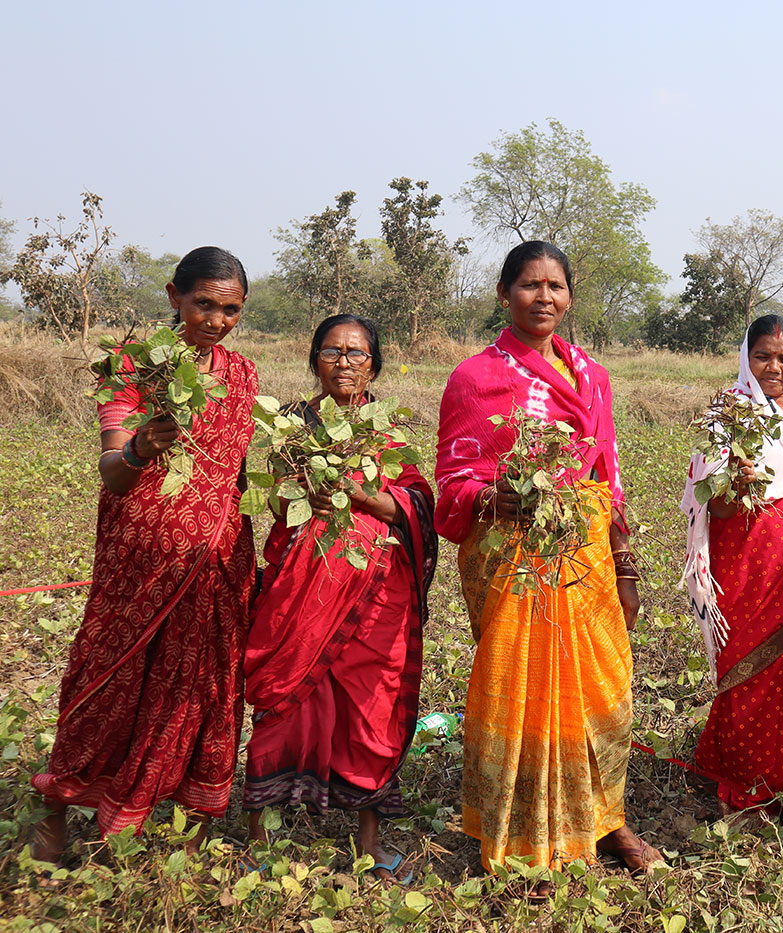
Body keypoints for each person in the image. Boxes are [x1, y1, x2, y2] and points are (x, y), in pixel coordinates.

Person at [434, 240, 660, 875]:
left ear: (571, 294)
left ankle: (604, 820)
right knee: (523, 688)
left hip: (585, 553)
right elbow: (453, 478)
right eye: (530, 285)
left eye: (555, 286)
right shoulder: (475, 377)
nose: (544, 297)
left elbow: (608, 475)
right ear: (505, 294)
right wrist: (490, 497)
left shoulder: (592, 374)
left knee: (601, 686)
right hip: (515, 555)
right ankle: (522, 835)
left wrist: (624, 563)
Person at [30, 247, 257, 863]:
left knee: (201, 689)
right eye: (203, 304)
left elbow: (231, 477)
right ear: (173, 295)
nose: (215, 320)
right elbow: (112, 473)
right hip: (141, 557)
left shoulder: (242, 376)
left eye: (230, 309)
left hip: (216, 560)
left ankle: (187, 815)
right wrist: (138, 449)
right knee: (109, 678)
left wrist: (239, 552)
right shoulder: (133, 367)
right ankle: (56, 804)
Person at [241, 314, 437, 882]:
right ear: (314, 359)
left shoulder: (387, 433)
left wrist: (365, 495)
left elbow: (418, 504)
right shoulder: (289, 433)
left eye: (357, 352)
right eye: (332, 350)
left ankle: (370, 843)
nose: (345, 361)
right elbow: (277, 509)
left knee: (371, 704)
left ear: (374, 363)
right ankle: (260, 836)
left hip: (377, 591)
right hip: (302, 588)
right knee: (283, 703)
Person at [681, 314, 783, 815]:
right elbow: (717, 507)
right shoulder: (727, 418)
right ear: (746, 358)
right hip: (750, 565)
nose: (773, 367)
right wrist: (737, 479)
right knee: (750, 664)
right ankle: (750, 771)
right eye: (762, 356)